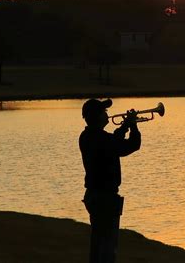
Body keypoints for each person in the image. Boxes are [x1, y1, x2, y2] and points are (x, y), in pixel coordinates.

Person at [79, 98, 141, 263]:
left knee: (98, 244)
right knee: (108, 247)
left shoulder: (86, 136)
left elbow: (112, 141)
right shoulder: (101, 139)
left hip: (94, 195)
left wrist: (124, 126)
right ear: (97, 116)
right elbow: (131, 145)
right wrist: (133, 125)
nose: (107, 114)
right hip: (105, 198)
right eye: (104, 112)